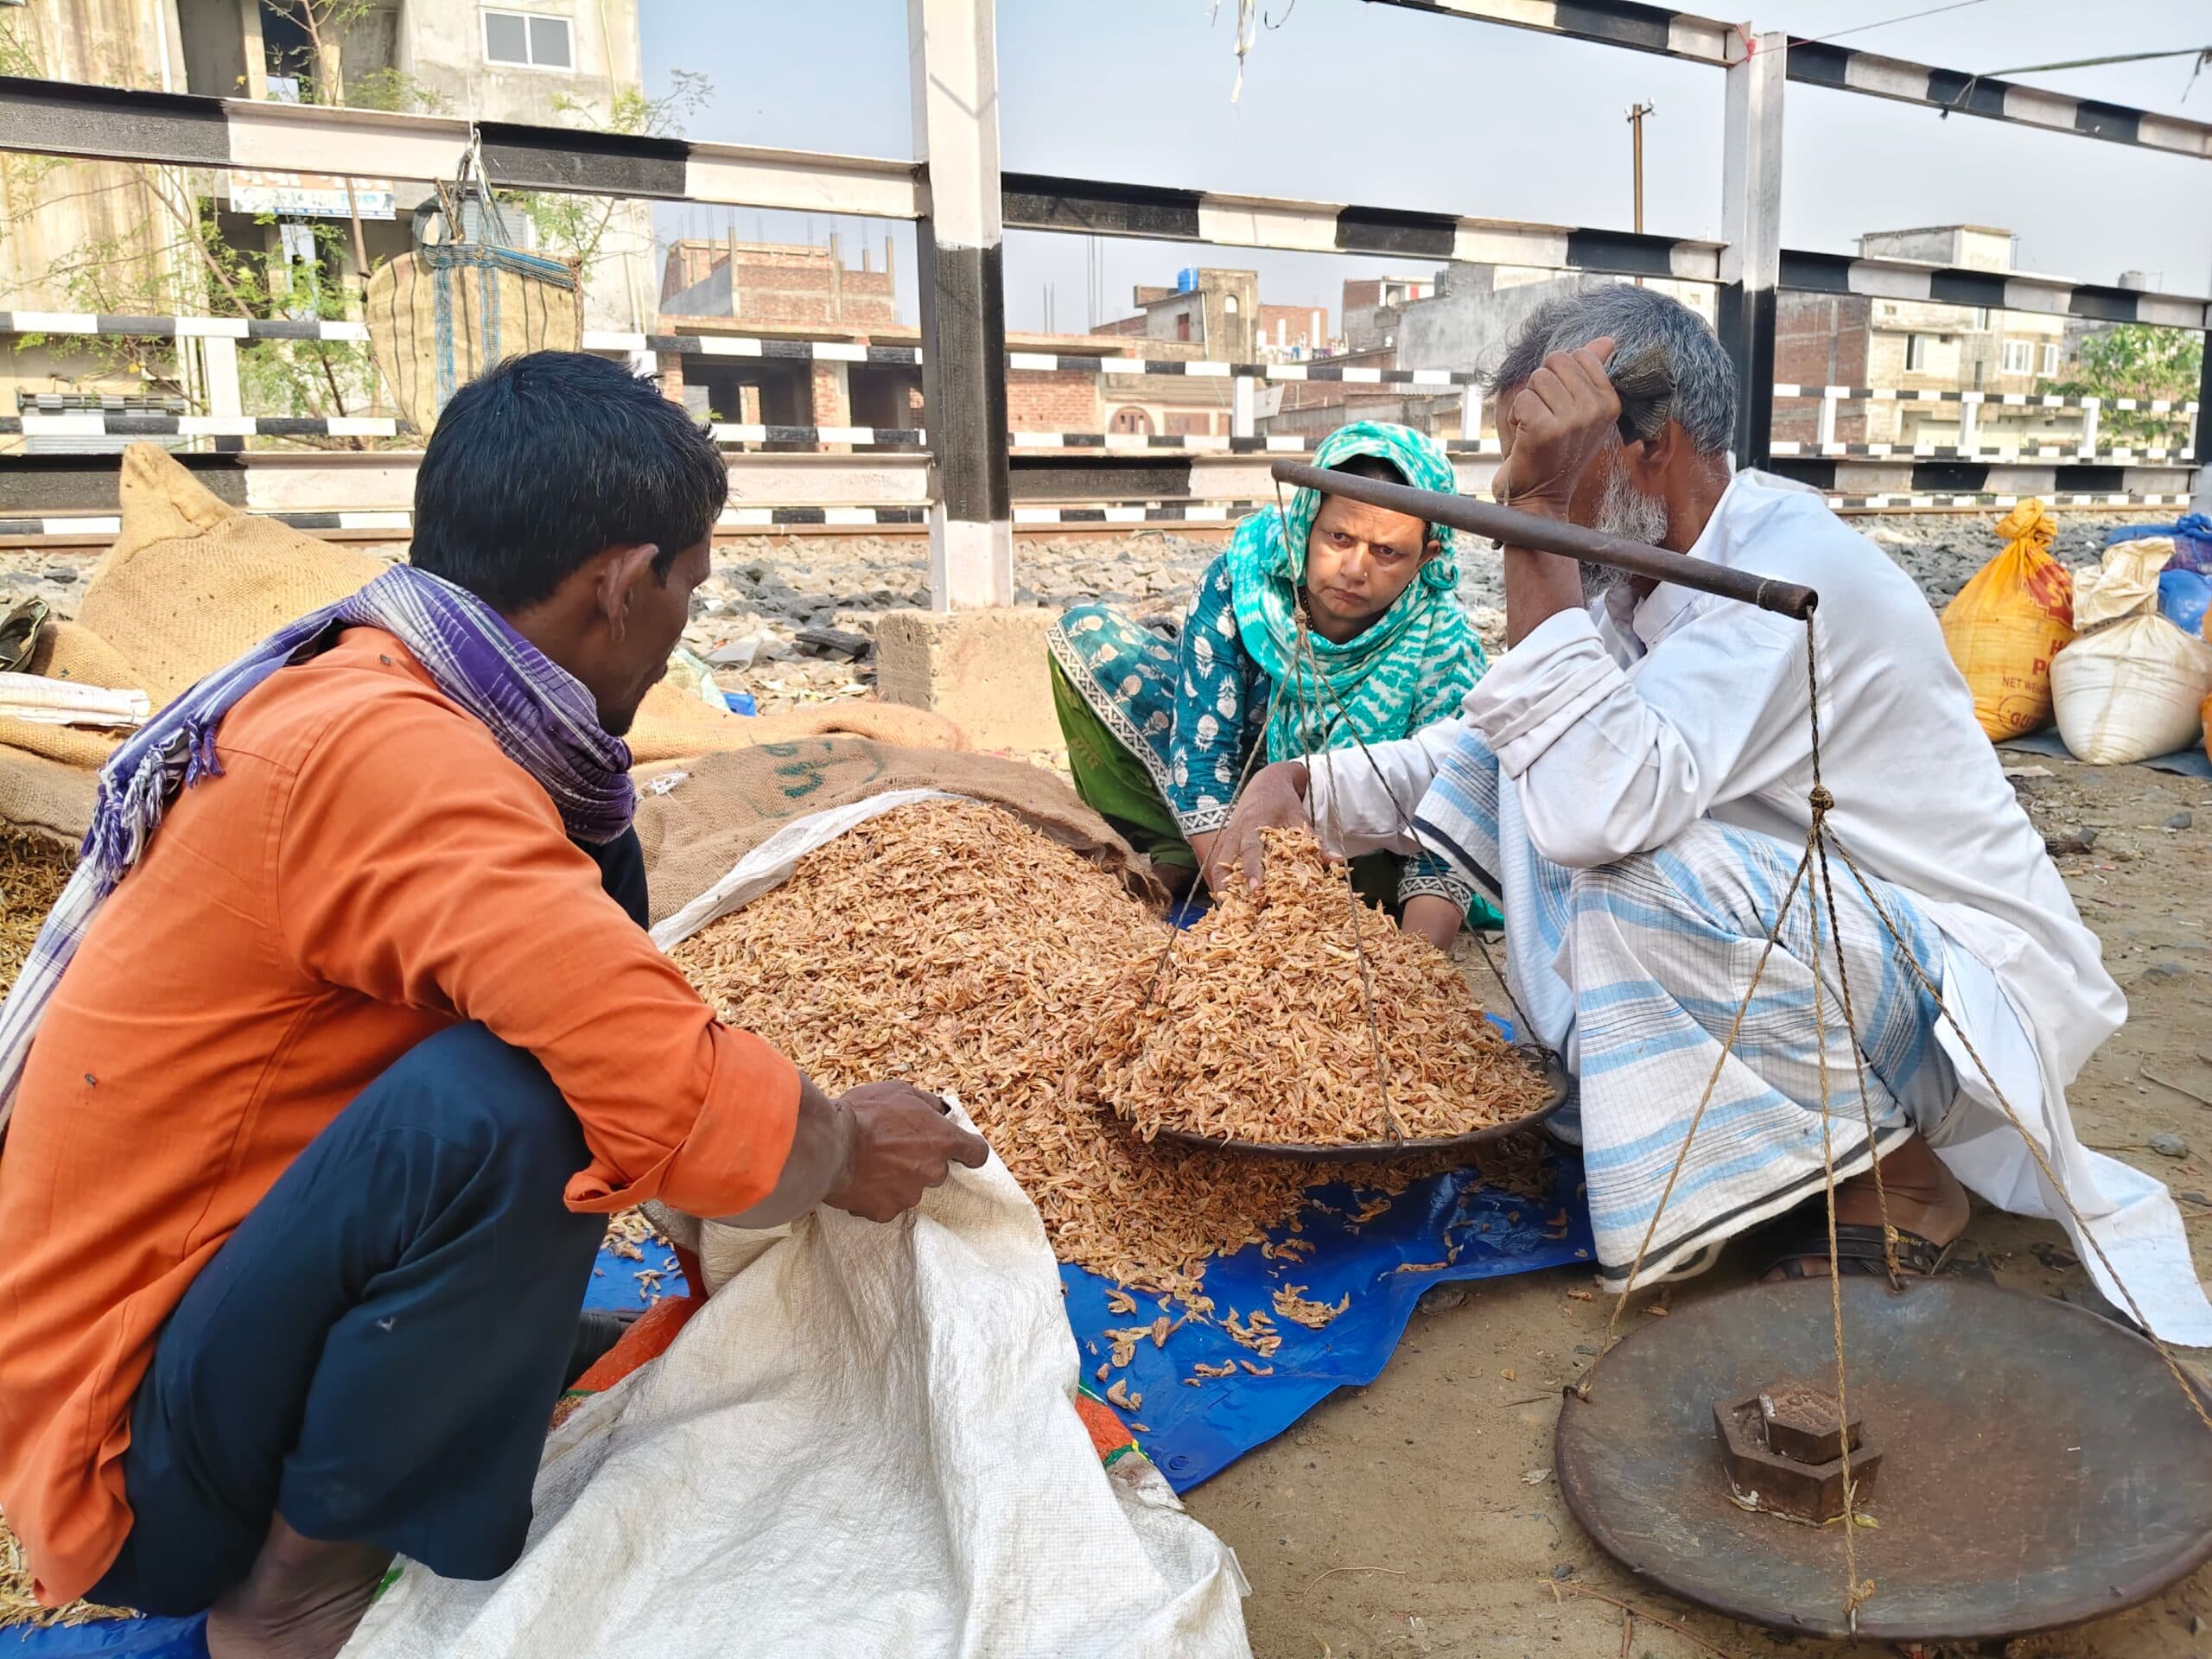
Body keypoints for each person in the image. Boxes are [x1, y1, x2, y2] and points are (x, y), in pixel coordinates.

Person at [0, 352, 989, 1657]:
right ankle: (295, 1591)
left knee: (583, 947)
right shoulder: (389, 760)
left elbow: (609, 989)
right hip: (138, 1465)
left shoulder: (394, 683)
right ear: (621, 584)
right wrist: (844, 1146)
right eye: (688, 588)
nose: (686, 618)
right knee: (522, 1104)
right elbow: (653, 1075)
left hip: (207, 1310)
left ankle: (450, 1378)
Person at [1212, 287, 2212, 1342]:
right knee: (1548, 758)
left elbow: (1597, 804)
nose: (1508, 490)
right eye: (1516, 465)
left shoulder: (1786, 566)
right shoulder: (1635, 582)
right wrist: (1309, 787)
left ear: (1649, 446)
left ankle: (1907, 1185)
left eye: (1541, 458)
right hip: (1837, 945)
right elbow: (1492, 747)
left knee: (1616, 852)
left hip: (1952, 992)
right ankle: (1760, 1138)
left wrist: (1538, 529)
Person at [1047, 421, 1495, 952]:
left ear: (1425, 556)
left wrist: (1418, 970)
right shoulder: (1242, 582)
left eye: (1387, 552)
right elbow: (1202, 750)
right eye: (1339, 538)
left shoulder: (1443, 643)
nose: (1354, 569)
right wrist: (1252, 927)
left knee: (1412, 821)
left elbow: (1451, 814)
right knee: (1088, 640)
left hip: (1362, 852)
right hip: (1236, 804)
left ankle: (1315, 894)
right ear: (1306, 520)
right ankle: (1186, 849)